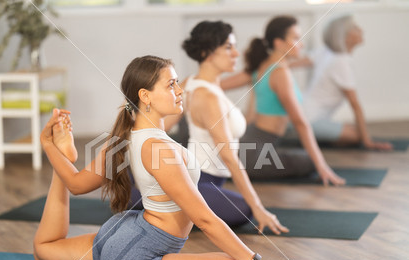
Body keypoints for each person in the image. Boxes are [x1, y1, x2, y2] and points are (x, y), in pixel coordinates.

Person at [34, 55, 297, 260]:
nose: (180, 90)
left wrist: (56, 152)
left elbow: (76, 184)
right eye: (171, 85)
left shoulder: (125, 137)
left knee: (44, 250)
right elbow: (204, 219)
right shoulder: (158, 149)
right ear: (145, 96)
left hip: (123, 234)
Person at [130, 21, 288, 234]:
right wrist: (259, 208)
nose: (236, 53)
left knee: (239, 208)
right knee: (245, 210)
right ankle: (148, 197)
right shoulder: (207, 96)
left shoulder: (192, 83)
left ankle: (155, 195)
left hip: (207, 179)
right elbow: (230, 158)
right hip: (199, 179)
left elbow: (161, 126)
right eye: (228, 47)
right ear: (207, 53)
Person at [221, 16, 345, 186]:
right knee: (309, 162)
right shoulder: (280, 73)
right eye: (295, 38)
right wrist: (321, 166)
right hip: (255, 154)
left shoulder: (262, 66)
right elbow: (301, 123)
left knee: (299, 153)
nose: (300, 44)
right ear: (279, 43)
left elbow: (218, 85)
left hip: (250, 143)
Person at [292, 15, 392, 150]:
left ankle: (308, 137)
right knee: (357, 135)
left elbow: (292, 64)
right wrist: (367, 141)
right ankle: (308, 138)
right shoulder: (341, 61)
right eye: (355, 28)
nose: (361, 30)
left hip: (298, 114)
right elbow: (355, 105)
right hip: (309, 120)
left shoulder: (326, 52)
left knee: (353, 129)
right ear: (344, 36)